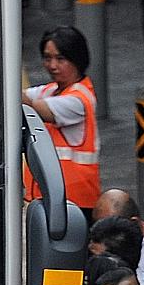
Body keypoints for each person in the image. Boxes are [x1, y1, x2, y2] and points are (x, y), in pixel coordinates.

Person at [23, 25, 100, 215]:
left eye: (60, 59)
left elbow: (32, 106)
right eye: (47, 58)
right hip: (52, 198)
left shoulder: (78, 100)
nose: (52, 65)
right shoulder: (50, 90)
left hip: (74, 203)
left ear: (77, 59)